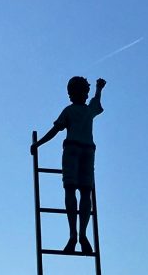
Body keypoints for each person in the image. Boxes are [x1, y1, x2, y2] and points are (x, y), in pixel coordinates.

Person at [31, 76, 106, 253]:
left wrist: (99, 89)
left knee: (83, 192)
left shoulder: (82, 110)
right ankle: (75, 235)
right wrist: (39, 144)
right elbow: (56, 129)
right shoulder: (74, 111)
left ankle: (80, 235)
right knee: (75, 191)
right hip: (80, 150)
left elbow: (56, 129)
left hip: (81, 151)